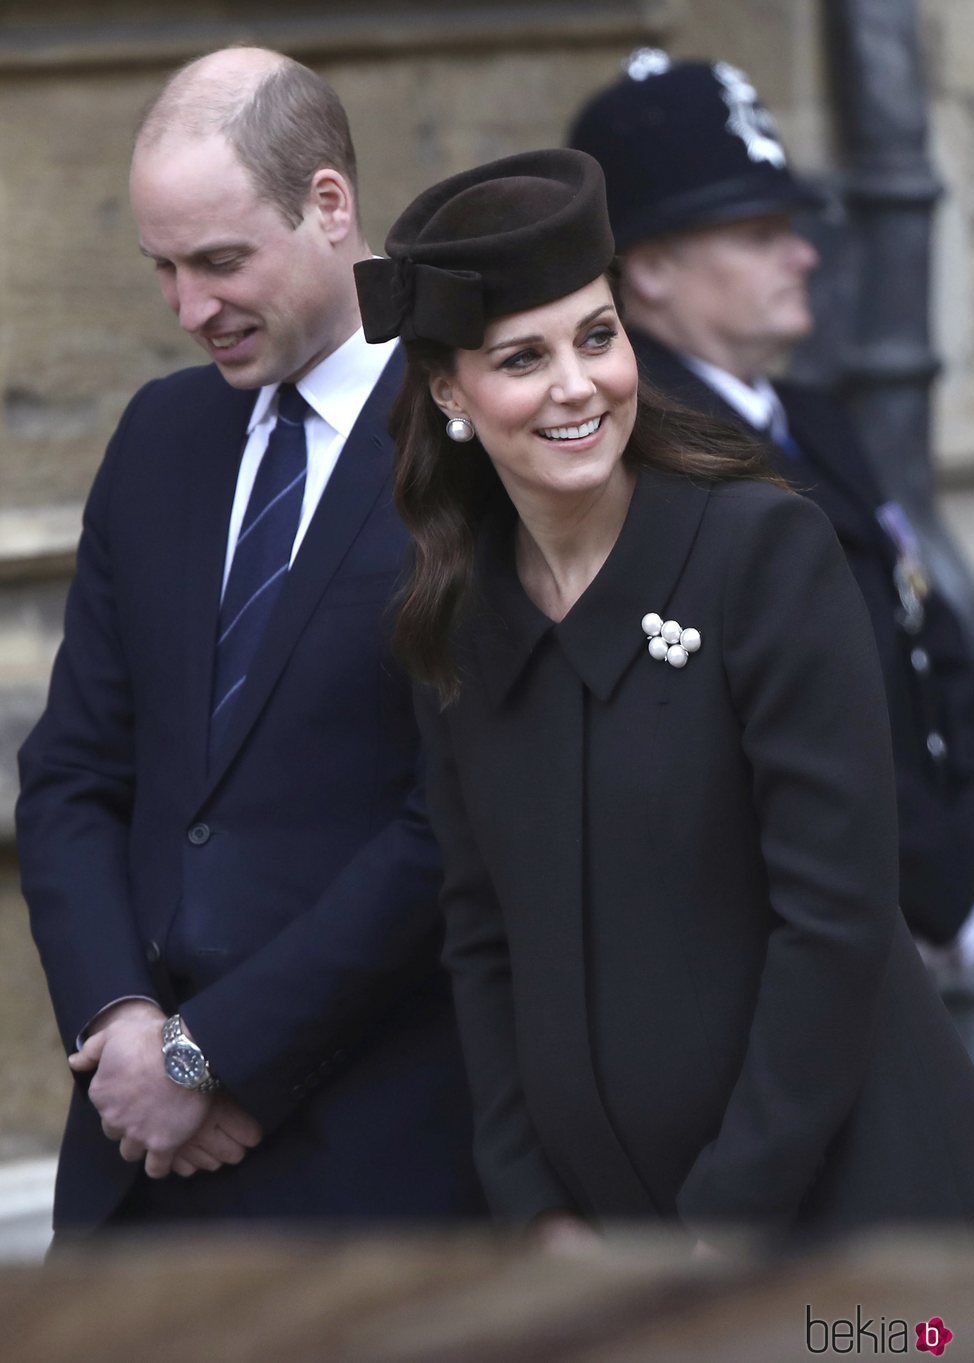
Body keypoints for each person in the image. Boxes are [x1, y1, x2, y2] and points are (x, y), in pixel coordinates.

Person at [353, 147, 974, 1241]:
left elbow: (831, 922)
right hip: (605, 1248)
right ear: (449, 392)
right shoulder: (451, 618)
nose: (575, 384)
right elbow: (480, 934)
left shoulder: (761, 549)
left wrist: (712, 1229)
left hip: (852, 1238)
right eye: (521, 357)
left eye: (597, 337)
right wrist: (533, 1209)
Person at [16, 47, 480, 1234]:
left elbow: (452, 816)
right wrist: (124, 1031)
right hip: (134, 1167)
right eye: (162, 268)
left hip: (372, 1154)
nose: (188, 308)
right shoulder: (162, 434)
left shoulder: (468, 441)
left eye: (221, 262)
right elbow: (74, 771)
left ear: (329, 205)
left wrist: (209, 1058)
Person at [568, 50, 974, 962]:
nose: (802, 253)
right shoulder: (652, 457)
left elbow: (934, 646)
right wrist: (951, 897)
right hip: (795, 937)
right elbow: (790, 717)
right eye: (758, 233)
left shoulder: (816, 420)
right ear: (652, 269)